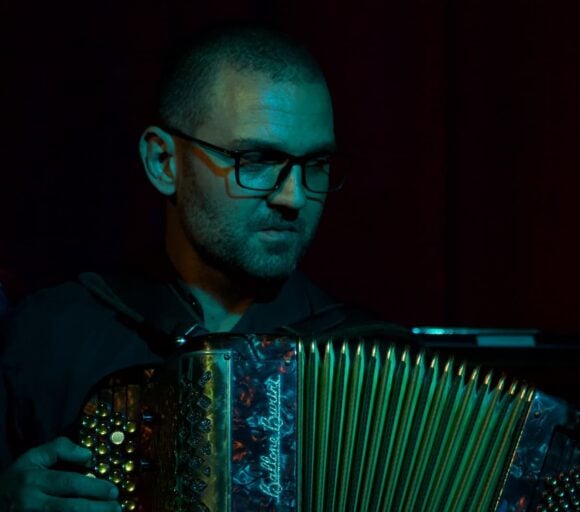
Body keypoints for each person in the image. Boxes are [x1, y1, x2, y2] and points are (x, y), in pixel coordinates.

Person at [0, 23, 409, 511]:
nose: (294, 196)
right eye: (256, 159)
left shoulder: (378, 365)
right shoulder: (46, 336)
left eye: (316, 164)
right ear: (163, 162)